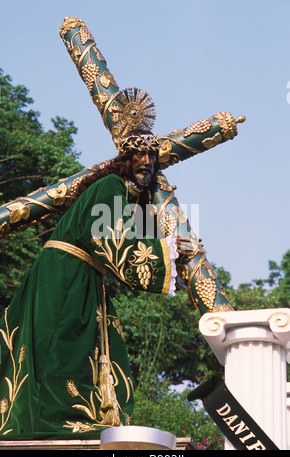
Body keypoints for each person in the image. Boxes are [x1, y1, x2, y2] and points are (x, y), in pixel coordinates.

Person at [0, 129, 193, 440]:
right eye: (139, 155)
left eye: (152, 156)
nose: (146, 162)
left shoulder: (134, 197)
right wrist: (166, 248)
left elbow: (146, 239)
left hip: (86, 275)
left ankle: (82, 413)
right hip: (65, 272)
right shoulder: (111, 186)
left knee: (92, 345)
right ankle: (57, 416)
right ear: (125, 159)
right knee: (62, 343)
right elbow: (112, 239)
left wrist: (175, 260)